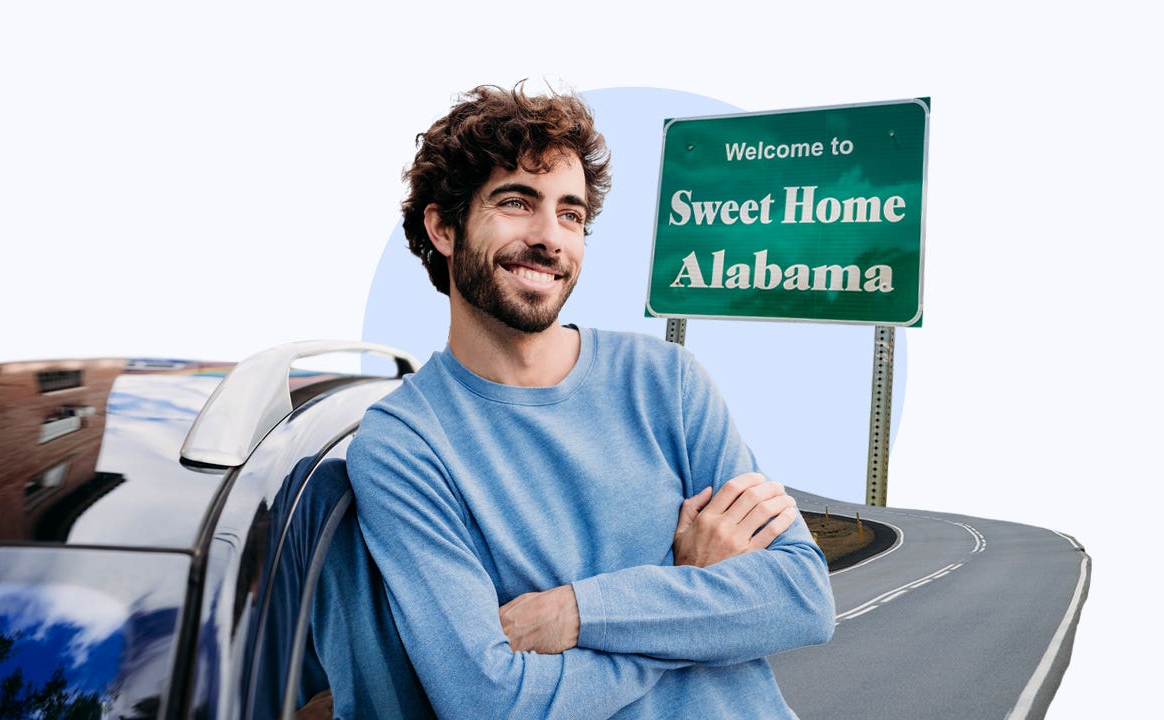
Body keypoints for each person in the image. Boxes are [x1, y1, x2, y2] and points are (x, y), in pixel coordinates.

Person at [346, 83, 835, 719]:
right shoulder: (405, 443)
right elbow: (490, 701)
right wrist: (691, 593)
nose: (551, 238)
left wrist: (580, 611)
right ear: (443, 227)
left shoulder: (666, 380)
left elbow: (800, 597)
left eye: (571, 214)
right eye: (517, 202)